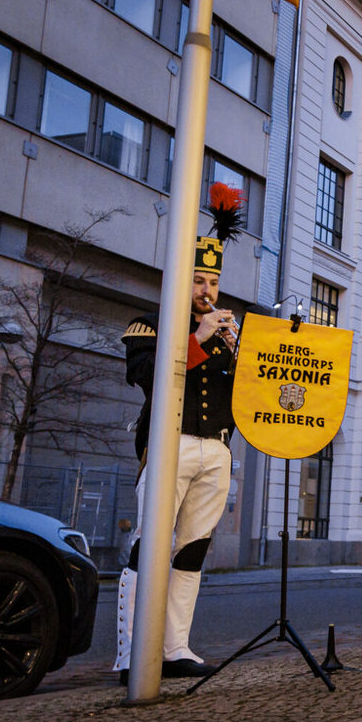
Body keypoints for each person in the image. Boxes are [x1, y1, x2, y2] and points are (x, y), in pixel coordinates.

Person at [113, 187, 243, 684]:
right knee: (150, 545)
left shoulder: (232, 337)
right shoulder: (150, 324)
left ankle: (175, 646)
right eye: (198, 279)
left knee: (192, 550)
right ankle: (131, 653)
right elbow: (149, 378)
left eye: (213, 280)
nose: (207, 289)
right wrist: (200, 337)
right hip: (170, 444)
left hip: (217, 448)